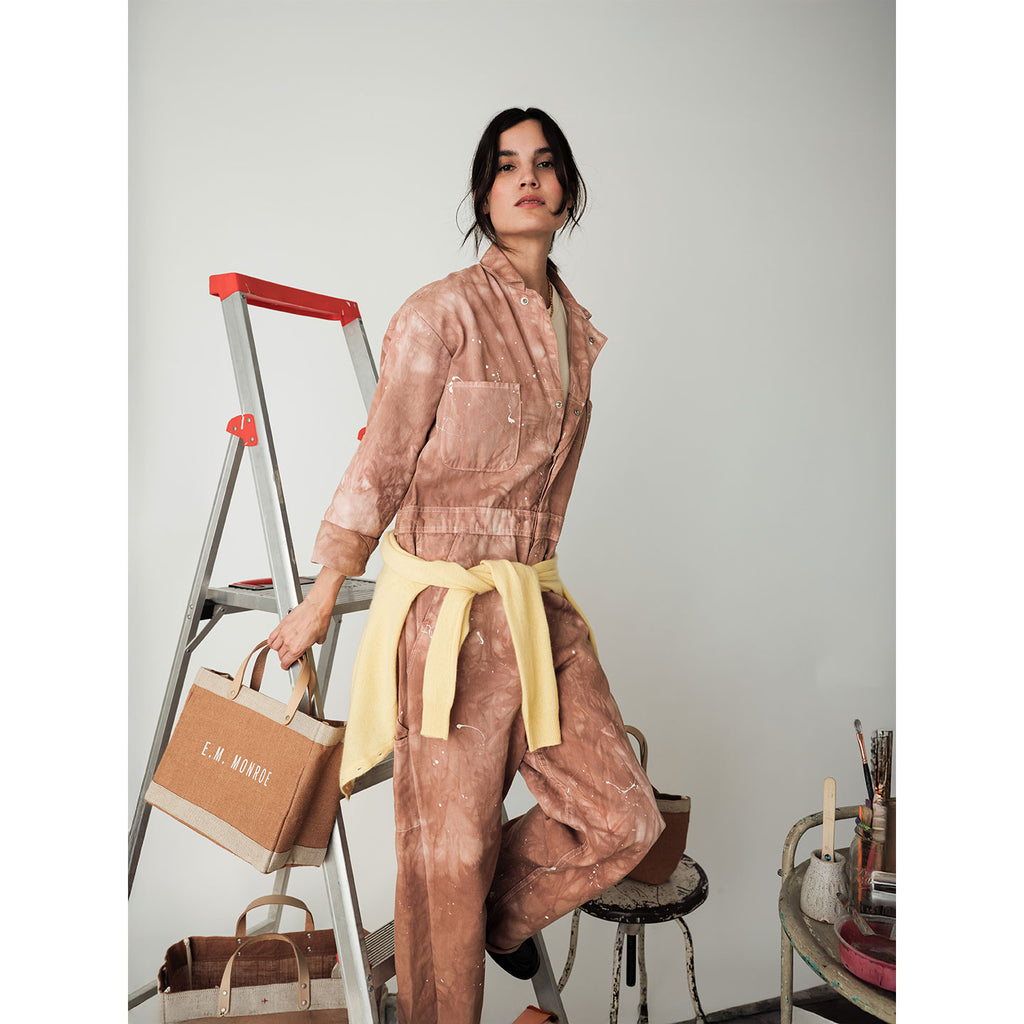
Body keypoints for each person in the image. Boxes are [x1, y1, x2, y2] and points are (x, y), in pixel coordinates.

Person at [268, 106, 663, 1024]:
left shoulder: (576, 333)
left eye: (545, 163)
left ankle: (492, 917)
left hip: (535, 607)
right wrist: (323, 596)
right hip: (447, 619)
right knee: (444, 863)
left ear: (567, 190)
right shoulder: (437, 313)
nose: (528, 177)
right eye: (507, 164)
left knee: (626, 820)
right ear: (484, 194)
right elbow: (382, 461)